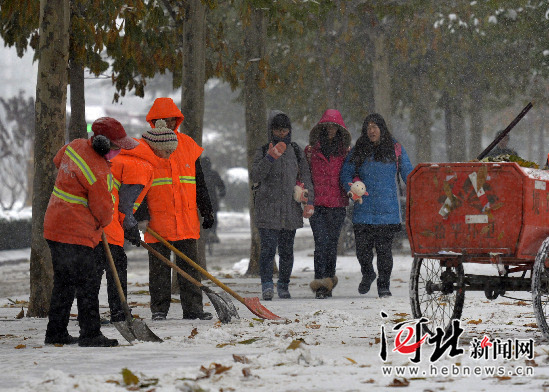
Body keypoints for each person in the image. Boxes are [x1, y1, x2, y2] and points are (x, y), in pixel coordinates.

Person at [43, 117, 138, 347]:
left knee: (64, 282)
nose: (117, 152)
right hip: (76, 233)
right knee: (87, 284)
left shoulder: (74, 145)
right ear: (103, 144)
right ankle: (90, 334)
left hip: (54, 227)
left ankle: (55, 332)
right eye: (116, 147)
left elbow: (58, 161)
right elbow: (105, 213)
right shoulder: (99, 171)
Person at [139, 97, 215, 321]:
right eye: (164, 120)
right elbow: (139, 183)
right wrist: (141, 214)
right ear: (155, 121)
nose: (170, 124)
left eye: (173, 119)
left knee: (191, 267)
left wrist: (207, 209)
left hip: (186, 219)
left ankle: (193, 309)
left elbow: (199, 182)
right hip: (157, 220)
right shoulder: (146, 147)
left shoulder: (189, 145)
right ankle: (159, 310)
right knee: (159, 270)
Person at [95, 120, 177, 323]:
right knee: (115, 263)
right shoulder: (141, 165)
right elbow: (124, 204)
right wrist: (130, 227)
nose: (169, 157)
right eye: (168, 152)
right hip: (107, 219)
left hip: (100, 215)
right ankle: (118, 313)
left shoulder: (130, 158)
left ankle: (96, 313)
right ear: (158, 149)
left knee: (98, 265)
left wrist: (129, 224)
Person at [340, 113, 413, 298]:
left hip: (387, 211)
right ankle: (368, 273)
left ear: (382, 129)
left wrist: (421, 187)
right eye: (368, 127)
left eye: (375, 127)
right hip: (363, 210)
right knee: (362, 252)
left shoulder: (395, 149)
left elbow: (408, 174)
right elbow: (345, 174)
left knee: (384, 252)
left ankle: (383, 285)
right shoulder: (358, 150)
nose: (371, 131)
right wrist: (350, 189)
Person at [251, 110, 314, 300]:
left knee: (287, 251)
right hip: (267, 209)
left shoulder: (295, 151)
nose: (282, 134)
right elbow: (255, 176)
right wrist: (270, 158)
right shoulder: (263, 150)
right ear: (271, 131)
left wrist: (310, 200)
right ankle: (267, 285)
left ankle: (284, 285)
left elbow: (306, 176)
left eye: (285, 130)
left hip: (290, 209)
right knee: (268, 250)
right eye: (278, 130)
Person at [304, 109, 351, 299]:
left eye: (335, 127)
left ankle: (328, 281)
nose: (331, 130)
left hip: (338, 205)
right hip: (318, 205)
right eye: (328, 126)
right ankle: (320, 282)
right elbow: (305, 176)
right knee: (321, 243)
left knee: (331, 244)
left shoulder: (345, 154)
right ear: (322, 128)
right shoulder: (311, 152)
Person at [201, 156, 226, 243]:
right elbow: (221, 185)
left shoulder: (198, 173)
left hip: (201, 201)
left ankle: (206, 234)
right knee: (214, 218)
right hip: (212, 200)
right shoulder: (213, 174)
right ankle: (213, 233)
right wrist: (222, 193)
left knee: (203, 218)